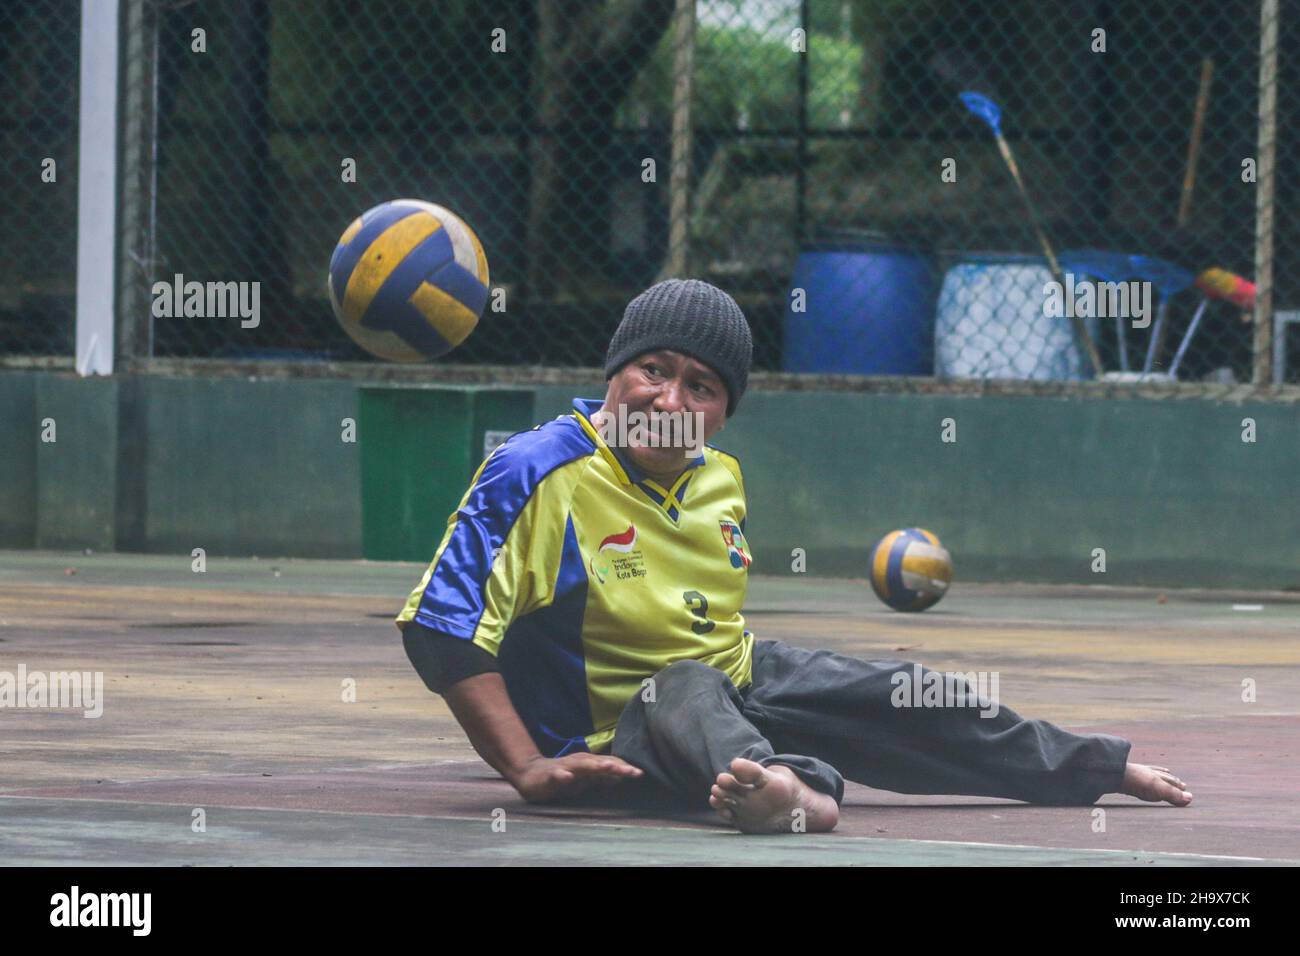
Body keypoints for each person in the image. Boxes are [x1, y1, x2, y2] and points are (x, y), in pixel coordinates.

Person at [395, 278, 1192, 834]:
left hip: (736, 678)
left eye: (702, 388)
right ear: (615, 372)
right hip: (616, 728)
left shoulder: (719, 477)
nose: (670, 402)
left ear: (724, 413)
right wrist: (526, 769)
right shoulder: (540, 471)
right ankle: (782, 791)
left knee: (909, 694)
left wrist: (1096, 767)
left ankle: (1096, 768)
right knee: (682, 686)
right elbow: (442, 625)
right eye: (653, 370)